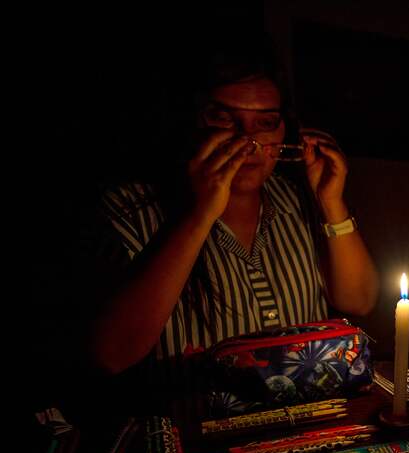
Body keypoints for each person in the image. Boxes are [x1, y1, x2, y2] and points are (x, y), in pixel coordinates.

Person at [81, 34, 379, 406]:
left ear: (284, 132)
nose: (247, 141)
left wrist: (332, 204)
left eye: (265, 122)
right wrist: (201, 212)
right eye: (224, 118)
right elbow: (110, 355)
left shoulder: (298, 200)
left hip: (303, 427)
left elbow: (360, 300)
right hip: (188, 440)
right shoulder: (132, 208)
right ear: (191, 120)